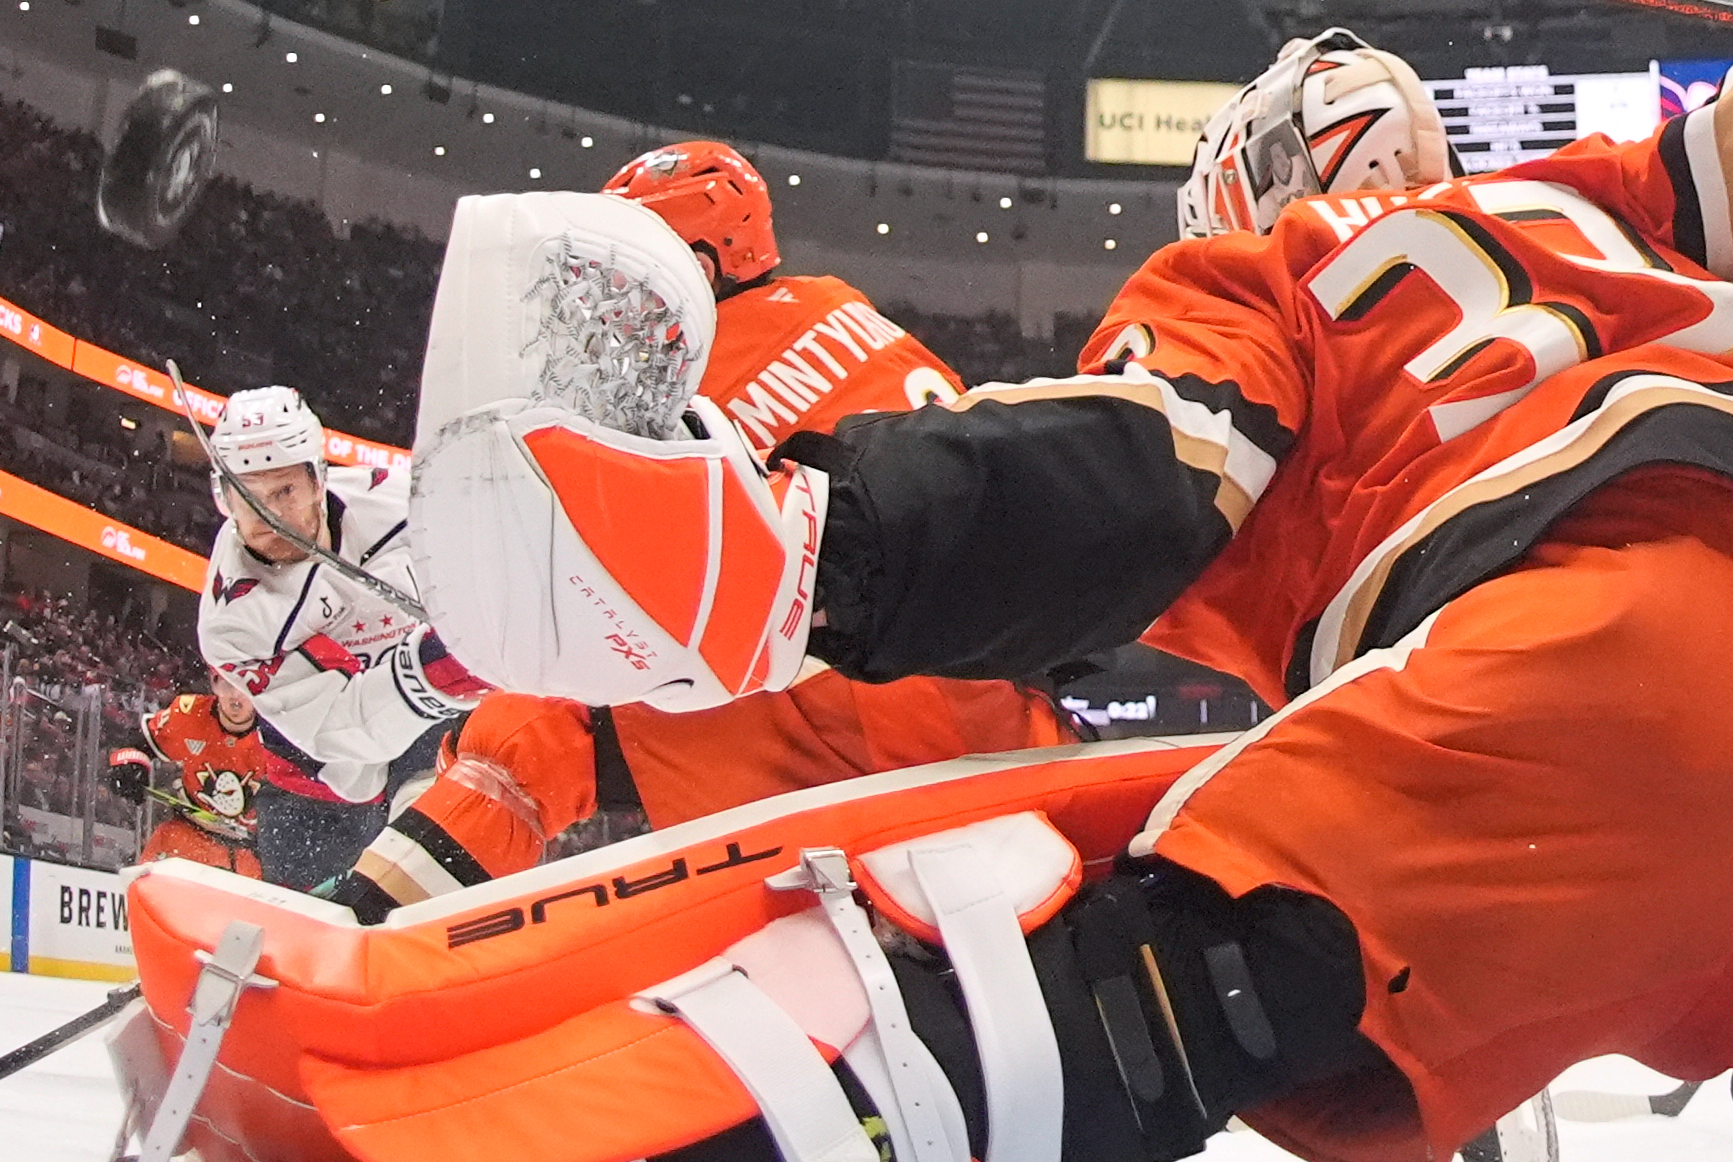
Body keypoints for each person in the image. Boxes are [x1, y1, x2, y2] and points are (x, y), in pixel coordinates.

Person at [110, 0, 1733, 1162]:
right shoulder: (1629, 196)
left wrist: (790, 553)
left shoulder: (1251, 270)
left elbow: (1122, 482)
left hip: (1573, 675)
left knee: (1143, 972)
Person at [319, 142, 1072, 922]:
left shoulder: (692, 372)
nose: (610, 312)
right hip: (995, 694)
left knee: (539, 713)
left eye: (628, 280)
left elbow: (615, 566)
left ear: (698, 268)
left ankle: (373, 917)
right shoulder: (845, 310)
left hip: (857, 718)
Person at [195, 386, 485, 890]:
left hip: (427, 734)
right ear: (223, 499)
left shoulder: (403, 502)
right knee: (316, 929)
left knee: (435, 878)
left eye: (284, 492)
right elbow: (339, 729)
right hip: (317, 786)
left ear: (317, 478)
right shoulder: (231, 624)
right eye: (248, 498)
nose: (269, 517)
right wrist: (440, 669)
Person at [107, 669, 267, 878]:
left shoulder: (278, 735)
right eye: (228, 684)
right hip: (185, 838)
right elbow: (139, 743)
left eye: (245, 687)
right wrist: (128, 765)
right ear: (214, 683)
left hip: (252, 854)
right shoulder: (189, 714)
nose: (236, 696)